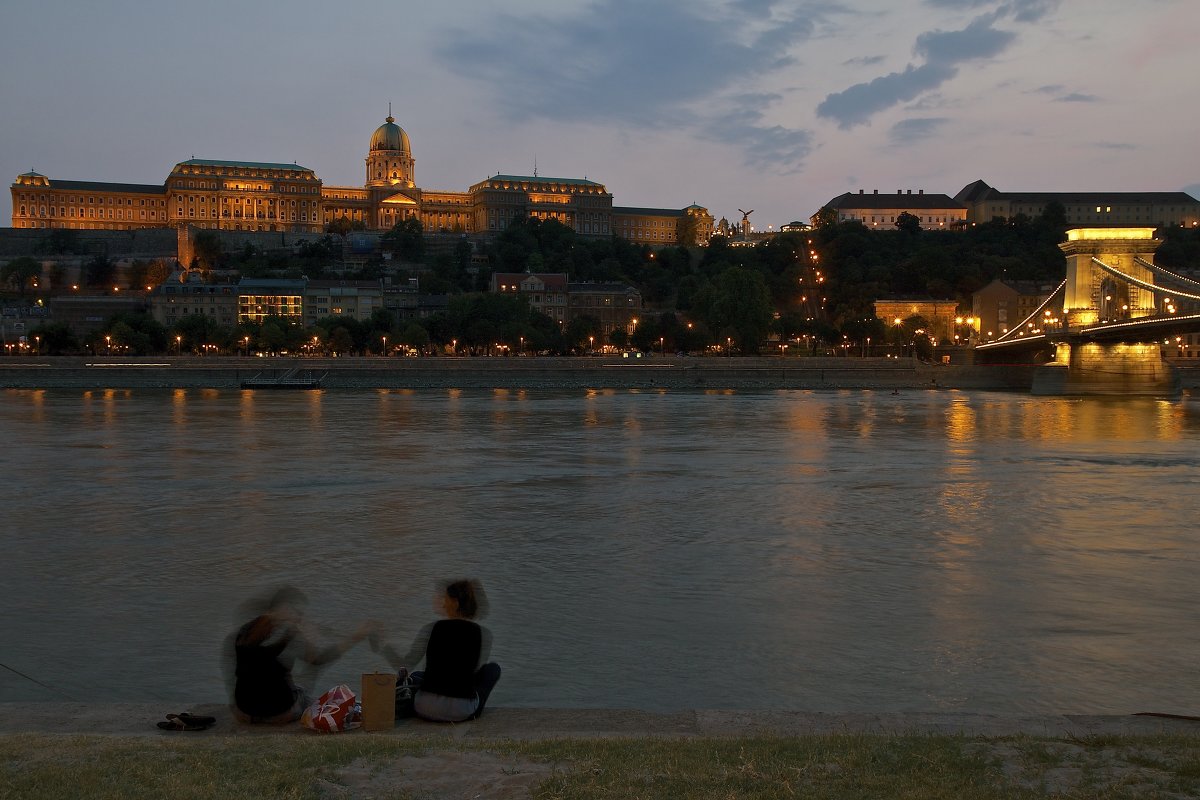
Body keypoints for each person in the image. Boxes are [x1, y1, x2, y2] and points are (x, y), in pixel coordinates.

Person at [228, 586, 374, 724]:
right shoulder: (263, 636)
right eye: (297, 611)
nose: (300, 616)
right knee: (305, 693)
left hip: (244, 712)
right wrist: (355, 637)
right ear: (283, 609)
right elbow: (317, 661)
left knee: (294, 686)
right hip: (279, 714)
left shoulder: (245, 633)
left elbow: (256, 649)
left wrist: (298, 633)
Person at [378, 579, 501, 722]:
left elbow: (404, 663)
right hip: (461, 712)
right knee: (493, 669)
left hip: (424, 708)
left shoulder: (432, 628)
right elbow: (471, 675)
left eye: (446, 600)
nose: (444, 604)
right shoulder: (482, 633)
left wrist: (383, 644)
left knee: (417, 675)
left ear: (455, 603)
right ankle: (468, 707)